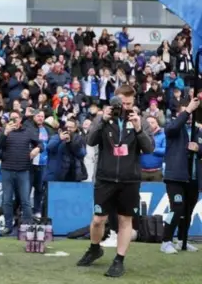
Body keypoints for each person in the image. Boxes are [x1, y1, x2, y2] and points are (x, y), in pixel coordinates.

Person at [78, 84, 154, 277]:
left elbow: (149, 148)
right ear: (115, 100)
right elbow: (90, 141)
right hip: (105, 177)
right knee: (98, 220)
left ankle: (119, 260)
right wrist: (103, 120)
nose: (125, 107)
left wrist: (138, 129)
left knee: (124, 220)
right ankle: (95, 248)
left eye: (129, 103)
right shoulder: (103, 118)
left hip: (130, 179)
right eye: (122, 103)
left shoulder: (141, 121)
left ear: (133, 102)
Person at [161, 99, 201, 254]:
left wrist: (198, 148)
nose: (190, 115)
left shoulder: (198, 131)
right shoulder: (173, 127)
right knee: (176, 209)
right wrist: (188, 110)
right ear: (179, 113)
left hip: (193, 177)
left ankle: (182, 240)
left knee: (188, 211)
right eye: (186, 112)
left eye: (192, 112)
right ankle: (166, 241)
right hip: (175, 176)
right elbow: (171, 129)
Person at [0, 110, 41, 236]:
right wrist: (5, 132)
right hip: (7, 170)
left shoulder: (28, 131)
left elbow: (41, 144)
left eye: (16, 118)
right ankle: (8, 226)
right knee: (7, 200)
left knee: (25, 200)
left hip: (23, 170)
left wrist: (37, 149)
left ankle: (28, 228)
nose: (13, 121)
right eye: (11, 118)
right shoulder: (3, 131)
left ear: (20, 119)